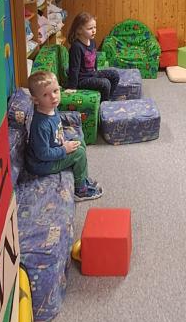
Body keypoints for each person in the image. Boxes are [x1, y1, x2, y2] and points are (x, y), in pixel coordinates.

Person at [26, 70, 103, 200]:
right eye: (46, 95)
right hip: (41, 164)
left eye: (55, 91)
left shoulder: (52, 108)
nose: (53, 97)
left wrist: (62, 141)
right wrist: (64, 149)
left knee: (79, 140)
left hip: (53, 149)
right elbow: (43, 154)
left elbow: (56, 129)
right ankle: (80, 190)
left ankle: (82, 177)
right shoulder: (41, 125)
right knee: (79, 153)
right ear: (36, 100)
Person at [66, 12, 120, 101]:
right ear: (79, 30)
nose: (94, 30)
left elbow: (95, 57)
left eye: (95, 27)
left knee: (114, 74)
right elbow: (74, 68)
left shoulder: (92, 42)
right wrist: (72, 87)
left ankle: (108, 98)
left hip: (92, 74)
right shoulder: (76, 47)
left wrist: (96, 70)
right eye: (90, 28)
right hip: (82, 79)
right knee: (105, 83)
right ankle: (104, 104)